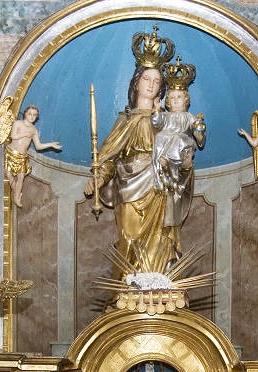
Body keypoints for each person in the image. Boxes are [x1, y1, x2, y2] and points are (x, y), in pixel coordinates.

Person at [84, 30, 186, 275]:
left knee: (162, 237)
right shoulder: (126, 120)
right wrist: (98, 179)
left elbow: (181, 155)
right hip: (131, 184)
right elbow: (109, 157)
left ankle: (158, 284)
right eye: (146, 79)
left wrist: (182, 165)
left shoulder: (166, 122)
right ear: (136, 82)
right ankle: (126, 290)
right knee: (129, 238)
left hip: (160, 187)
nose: (151, 85)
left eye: (157, 82)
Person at [152, 75, 205, 230]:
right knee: (159, 137)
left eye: (179, 97)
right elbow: (155, 124)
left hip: (183, 145)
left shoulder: (188, 116)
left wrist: (199, 131)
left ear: (186, 100)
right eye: (172, 97)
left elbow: (198, 133)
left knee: (178, 139)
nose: (175, 100)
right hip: (167, 145)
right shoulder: (166, 116)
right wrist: (156, 110)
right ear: (167, 101)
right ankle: (161, 170)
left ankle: (170, 165)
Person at [5, 106, 62, 209]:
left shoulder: (34, 130)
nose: (32, 117)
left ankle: (16, 197)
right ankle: (16, 191)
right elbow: (13, 136)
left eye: (34, 115)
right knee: (8, 174)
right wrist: (25, 133)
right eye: (29, 114)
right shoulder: (18, 123)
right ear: (25, 114)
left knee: (21, 177)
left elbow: (38, 146)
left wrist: (51, 144)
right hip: (11, 153)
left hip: (22, 157)